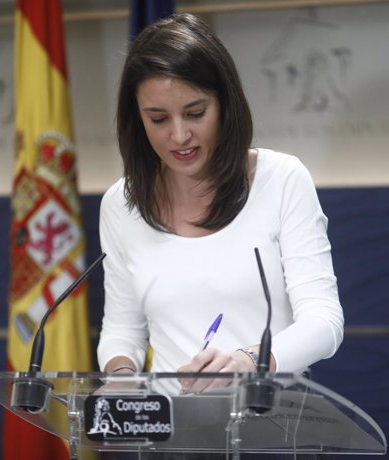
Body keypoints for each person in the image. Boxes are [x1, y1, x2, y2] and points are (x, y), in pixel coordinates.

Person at [97, 13, 344, 394]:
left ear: (225, 105)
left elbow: (323, 322)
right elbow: (121, 330)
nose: (179, 135)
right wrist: (122, 377)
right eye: (158, 118)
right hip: (170, 439)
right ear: (137, 120)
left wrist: (248, 362)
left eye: (195, 113)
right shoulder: (121, 204)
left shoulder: (281, 179)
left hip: (272, 428)